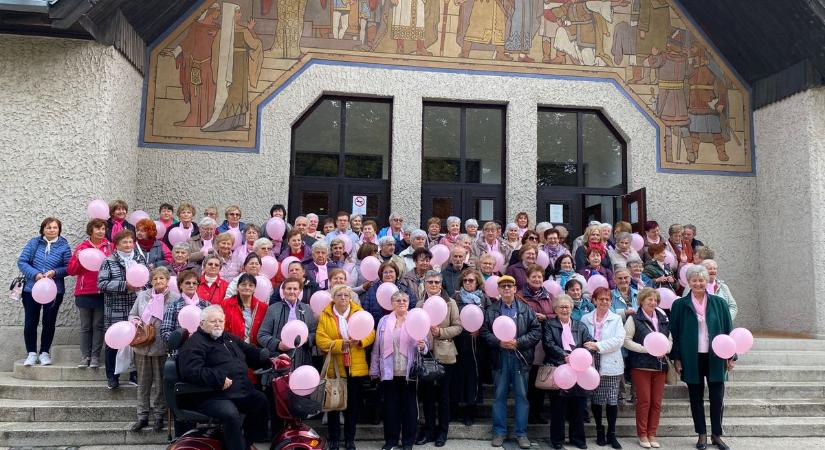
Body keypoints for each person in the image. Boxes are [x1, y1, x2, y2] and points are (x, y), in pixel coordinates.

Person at [178, 305, 270, 450]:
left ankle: (248, 442)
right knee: (230, 413)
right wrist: (218, 379)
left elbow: (249, 350)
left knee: (260, 400)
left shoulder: (226, 337)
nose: (218, 324)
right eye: (213, 321)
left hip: (237, 391)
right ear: (202, 324)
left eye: (220, 321)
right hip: (210, 395)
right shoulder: (195, 343)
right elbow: (190, 371)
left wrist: (268, 356)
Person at [670, 265, 734, 450]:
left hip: (716, 357)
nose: (698, 283)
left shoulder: (719, 303)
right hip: (691, 357)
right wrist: (677, 358)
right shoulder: (679, 305)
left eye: (701, 280)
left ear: (707, 282)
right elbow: (675, 333)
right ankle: (702, 434)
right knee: (695, 398)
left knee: (717, 398)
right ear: (688, 282)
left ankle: (716, 434)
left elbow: (728, 331)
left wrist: (731, 357)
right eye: (694, 280)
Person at [480, 275, 541, 449]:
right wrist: (498, 342)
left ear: (515, 289)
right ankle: (499, 432)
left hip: (519, 357)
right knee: (499, 396)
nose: (506, 289)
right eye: (503, 286)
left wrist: (519, 342)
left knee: (521, 397)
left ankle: (521, 434)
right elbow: (484, 332)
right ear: (498, 290)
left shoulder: (525, 309)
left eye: (510, 286)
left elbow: (536, 331)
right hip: (500, 358)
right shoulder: (491, 310)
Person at [316, 284, 375, 450]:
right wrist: (341, 344)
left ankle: (350, 439)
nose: (343, 298)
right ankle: (334, 438)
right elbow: (321, 340)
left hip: (355, 367)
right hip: (335, 367)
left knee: (353, 405)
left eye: (346, 295)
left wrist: (361, 341)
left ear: (350, 297)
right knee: (334, 405)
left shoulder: (359, 312)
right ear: (333, 298)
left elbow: (371, 332)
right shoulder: (325, 315)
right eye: (339, 295)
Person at [369, 291, 428, 450]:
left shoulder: (415, 318)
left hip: (409, 373)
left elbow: (425, 345)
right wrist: (374, 369)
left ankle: (408, 442)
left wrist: (423, 346)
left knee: (409, 409)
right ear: (392, 303)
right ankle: (391, 441)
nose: (401, 302)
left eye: (404, 300)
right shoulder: (383, 320)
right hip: (389, 372)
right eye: (397, 300)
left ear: (408, 303)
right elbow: (377, 347)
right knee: (390, 409)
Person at [17, 217, 72, 367]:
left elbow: (69, 267)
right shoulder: (34, 243)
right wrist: (35, 275)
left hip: (54, 290)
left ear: (59, 230)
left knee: (49, 322)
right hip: (31, 289)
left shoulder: (64, 246)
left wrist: (55, 272)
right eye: (48, 227)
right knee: (30, 322)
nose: (52, 230)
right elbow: (22, 261)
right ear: (43, 229)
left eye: (55, 227)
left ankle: (44, 353)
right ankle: (31, 353)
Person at [127, 267, 176, 432]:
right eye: (155, 279)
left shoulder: (174, 298)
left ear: (167, 280)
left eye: (162, 278)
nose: (158, 282)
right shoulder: (143, 295)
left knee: (160, 383)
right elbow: (132, 314)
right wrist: (135, 322)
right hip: (142, 346)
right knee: (143, 383)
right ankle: (142, 416)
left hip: (161, 347)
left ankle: (159, 416)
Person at [415, 271, 461, 447]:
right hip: (426, 353)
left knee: (443, 396)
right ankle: (429, 431)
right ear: (425, 284)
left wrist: (440, 332)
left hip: (445, 355)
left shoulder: (450, 303)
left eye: (436, 282)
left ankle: (443, 432)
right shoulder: (420, 303)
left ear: (441, 284)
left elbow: (458, 327)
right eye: (430, 282)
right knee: (427, 396)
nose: (433, 285)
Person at [544, 294, 594, 450]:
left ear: (572, 308)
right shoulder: (549, 324)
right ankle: (557, 440)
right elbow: (548, 343)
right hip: (559, 367)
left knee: (578, 406)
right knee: (558, 408)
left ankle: (577, 438)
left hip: (579, 370)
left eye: (567, 306)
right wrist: (564, 356)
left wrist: (580, 357)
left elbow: (588, 342)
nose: (565, 309)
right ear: (556, 309)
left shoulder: (580, 326)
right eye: (561, 307)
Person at [98, 230, 147, 389]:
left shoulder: (140, 259)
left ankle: (134, 374)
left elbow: (147, 281)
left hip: (136, 306)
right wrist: (125, 285)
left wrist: (142, 286)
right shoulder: (109, 261)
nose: (128, 245)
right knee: (114, 342)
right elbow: (102, 284)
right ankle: (112, 376)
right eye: (124, 242)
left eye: (130, 242)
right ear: (117, 244)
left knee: (136, 341)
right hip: (116, 308)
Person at [624, 288, 672, 449]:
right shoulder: (634, 318)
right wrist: (646, 348)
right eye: (649, 299)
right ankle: (642, 434)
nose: (652, 302)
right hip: (641, 365)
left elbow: (669, 339)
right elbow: (626, 340)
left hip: (660, 365)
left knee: (657, 402)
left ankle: (652, 433)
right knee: (644, 401)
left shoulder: (663, 317)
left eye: (655, 300)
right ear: (642, 301)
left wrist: (667, 348)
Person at [581, 287, 626, 449]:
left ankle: (612, 433)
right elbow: (582, 337)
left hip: (611, 363)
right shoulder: (585, 318)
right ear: (594, 300)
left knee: (612, 400)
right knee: (597, 400)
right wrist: (589, 346)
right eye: (601, 299)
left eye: (607, 299)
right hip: (592, 364)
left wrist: (597, 345)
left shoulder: (616, 319)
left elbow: (619, 340)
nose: (604, 302)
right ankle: (600, 430)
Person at [67, 218, 111, 368]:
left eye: (103, 229)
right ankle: (85, 356)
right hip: (84, 292)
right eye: (97, 228)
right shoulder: (82, 247)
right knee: (86, 326)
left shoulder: (109, 247)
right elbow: (71, 271)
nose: (100, 231)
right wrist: (79, 259)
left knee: (98, 325)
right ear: (90, 230)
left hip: (101, 292)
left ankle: (95, 357)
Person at [452, 269, 491, 426]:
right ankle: (455, 409)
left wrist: (479, 330)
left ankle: (470, 411)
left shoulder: (484, 299)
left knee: (474, 377)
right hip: (459, 342)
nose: (468, 283)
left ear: (477, 283)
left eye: (471, 280)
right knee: (457, 377)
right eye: (465, 280)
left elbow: (489, 319)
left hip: (478, 344)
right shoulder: (455, 298)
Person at [516, 264, 554, 425]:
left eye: (539, 276)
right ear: (527, 278)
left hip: (543, 342)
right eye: (534, 277)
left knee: (539, 380)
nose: (537, 279)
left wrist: (545, 317)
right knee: (528, 381)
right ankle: (526, 415)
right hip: (526, 341)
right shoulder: (519, 295)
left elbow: (556, 314)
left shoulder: (549, 296)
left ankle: (536, 413)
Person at [258, 277, 317, 368]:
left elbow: (314, 333)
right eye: (289, 288)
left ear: (300, 291)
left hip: (302, 359)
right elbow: (262, 335)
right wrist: (278, 344)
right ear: (283, 290)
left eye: (295, 289)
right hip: (279, 358)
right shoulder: (273, 309)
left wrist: (307, 339)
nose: (292, 291)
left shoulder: (307, 309)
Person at [160, 269, 209, 344]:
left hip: (203, 349)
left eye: (194, 283)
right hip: (181, 350)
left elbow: (212, 328)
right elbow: (165, 332)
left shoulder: (206, 305)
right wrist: (182, 338)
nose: (191, 285)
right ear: (180, 285)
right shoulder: (173, 306)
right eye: (187, 283)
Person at [363, 261, 417, 325]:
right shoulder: (373, 290)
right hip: (378, 327)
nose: (388, 275)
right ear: (381, 275)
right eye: (385, 272)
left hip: (400, 327)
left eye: (391, 272)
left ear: (396, 273)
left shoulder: (404, 289)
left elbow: (412, 306)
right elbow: (366, 309)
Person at [220, 273, 268, 346]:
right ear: (237, 287)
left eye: (251, 285)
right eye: (243, 284)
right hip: (232, 347)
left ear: (255, 288)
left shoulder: (263, 307)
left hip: (254, 348)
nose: (247, 287)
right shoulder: (226, 304)